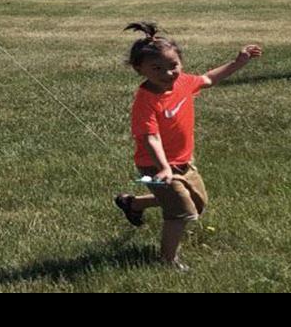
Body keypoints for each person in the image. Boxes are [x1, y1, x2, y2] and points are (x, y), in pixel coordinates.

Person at [112, 22, 263, 271]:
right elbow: (150, 137)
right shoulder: (146, 101)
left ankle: (133, 204)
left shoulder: (182, 82)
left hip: (184, 161)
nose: (168, 73)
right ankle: (167, 261)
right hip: (155, 165)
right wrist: (163, 168)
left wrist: (239, 62)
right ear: (140, 69)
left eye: (173, 66)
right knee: (181, 213)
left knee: (198, 204)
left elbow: (208, 79)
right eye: (157, 68)